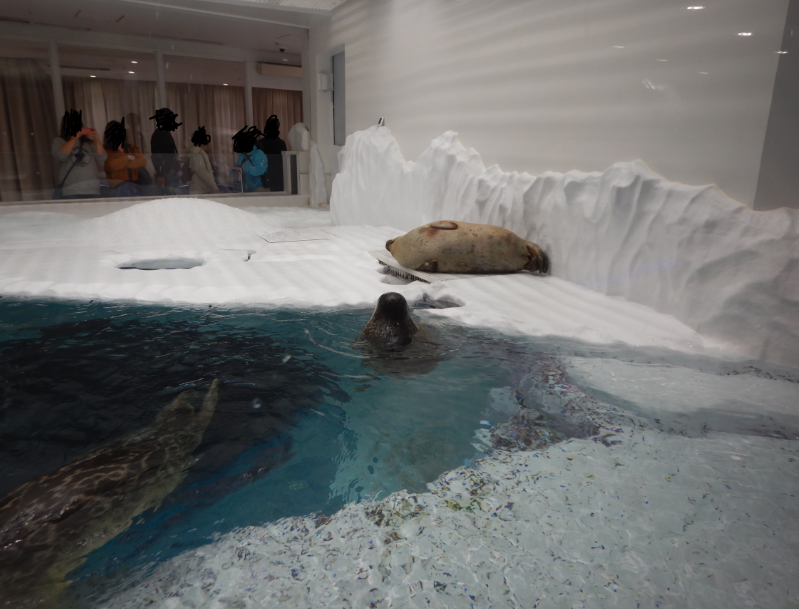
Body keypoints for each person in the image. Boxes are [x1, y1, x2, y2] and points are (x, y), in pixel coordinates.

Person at [51, 109, 107, 199]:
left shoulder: (88, 142)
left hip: (92, 188)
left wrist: (97, 140)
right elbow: (61, 156)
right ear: (65, 125)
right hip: (71, 189)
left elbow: (102, 157)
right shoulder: (59, 141)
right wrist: (73, 139)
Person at [103, 118, 158, 197]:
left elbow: (142, 162)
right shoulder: (106, 150)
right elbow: (111, 165)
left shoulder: (131, 148)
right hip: (118, 185)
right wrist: (127, 158)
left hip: (136, 182)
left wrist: (123, 164)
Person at [149, 107, 182, 195]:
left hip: (170, 170)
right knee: (171, 195)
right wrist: (160, 174)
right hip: (167, 171)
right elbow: (156, 156)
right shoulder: (159, 134)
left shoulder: (166, 133)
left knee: (173, 195)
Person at [255, 115, 287, 191]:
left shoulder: (260, 143)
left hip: (263, 177)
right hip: (278, 176)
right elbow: (284, 161)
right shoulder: (281, 143)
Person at [232, 125, 267, 193]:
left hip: (258, 188)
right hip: (244, 188)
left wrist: (244, 169)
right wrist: (234, 171)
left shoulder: (259, 154)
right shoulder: (242, 154)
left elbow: (259, 170)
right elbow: (238, 165)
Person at [188, 126, 219, 195]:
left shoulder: (199, 152)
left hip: (202, 189)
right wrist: (214, 186)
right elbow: (203, 172)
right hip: (201, 190)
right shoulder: (198, 153)